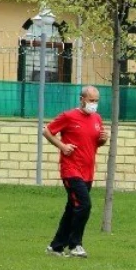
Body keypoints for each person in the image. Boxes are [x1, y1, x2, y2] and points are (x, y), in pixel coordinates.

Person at [43, 86, 107, 258]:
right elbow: (46, 131)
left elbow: (95, 143)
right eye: (91, 100)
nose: (94, 104)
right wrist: (62, 146)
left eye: (96, 101)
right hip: (71, 170)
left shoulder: (97, 119)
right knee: (84, 205)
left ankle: (55, 247)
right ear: (82, 99)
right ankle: (75, 245)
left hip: (88, 171)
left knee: (73, 208)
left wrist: (103, 140)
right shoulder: (69, 116)